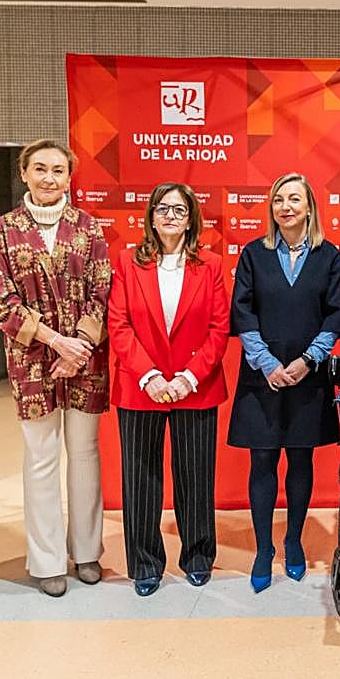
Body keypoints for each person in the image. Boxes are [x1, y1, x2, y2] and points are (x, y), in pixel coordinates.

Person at [0, 139, 111, 598]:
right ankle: (46, 560)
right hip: (32, 360)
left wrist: (78, 344)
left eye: (58, 170)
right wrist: (54, 341)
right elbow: (2, 301)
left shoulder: (89, 227)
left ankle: (87, 551)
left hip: (86, 358)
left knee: (84, 453)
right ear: (24, 173)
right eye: (40, 169)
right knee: (40, 458)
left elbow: (103, 290)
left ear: (69, 177)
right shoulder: (3, 229)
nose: (49, 178)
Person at [229, 173, 340, 592]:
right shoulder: (253, 254)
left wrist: (307, 361)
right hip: (261, 376)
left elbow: (336, 315)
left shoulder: (328, 255)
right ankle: (264, 549)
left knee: (301, 462)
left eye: (294, 199)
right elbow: (242, 312)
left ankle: (294, 543)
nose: (285, 206)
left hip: (308, 376)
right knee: (262, 461)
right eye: (278, 199)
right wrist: (266, 362)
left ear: (309, 207)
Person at [107, 182, 230, 596]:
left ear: (192, 217)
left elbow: (219, 328)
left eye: (179, 210)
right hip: (141, 386)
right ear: (150, 216)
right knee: (140, 479)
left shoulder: (210, 265)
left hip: (196, 386)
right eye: (162, 208)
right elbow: (119, 325)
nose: (170, 216)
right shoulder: (127, 263)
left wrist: (187, 378)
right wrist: (151, 376)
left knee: (195, 476)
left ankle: (197, 556)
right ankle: (144, 563)